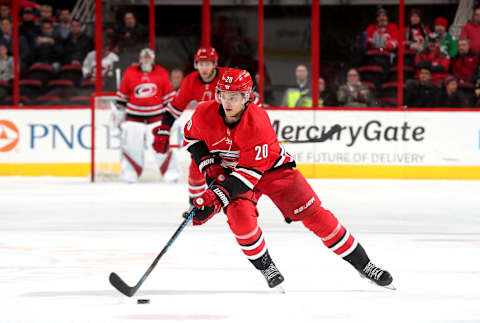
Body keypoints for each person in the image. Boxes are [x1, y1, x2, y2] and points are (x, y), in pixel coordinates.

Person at [183, 68, 394, 289]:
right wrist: (211, 168)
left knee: (316, 217)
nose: (226, 102)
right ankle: (266, 266)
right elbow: (192, 139)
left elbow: (248, 175)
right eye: (222, 95)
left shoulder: (257, 122)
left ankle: (364, 264)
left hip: (273, 171)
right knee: (239, 217)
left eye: (233, 96)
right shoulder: (203, 113)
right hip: (233, 174)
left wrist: (215, 198)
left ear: (247, 97)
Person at [166, 46, 228, 202]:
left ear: (215, 64)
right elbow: (175, 107)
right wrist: (163, 128)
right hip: (205, 132)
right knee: (196, 168)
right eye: (201, 64)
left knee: (229, 168)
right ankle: (196, 202)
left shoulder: (227, 77)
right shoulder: (190, 80)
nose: (204, 68)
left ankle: (238, 202)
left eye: (208, 63)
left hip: (228, 130)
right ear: (196, 65)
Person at [113, 48, 181, 183]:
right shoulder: (130, 72)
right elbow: (121, 100)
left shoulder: (161, 72)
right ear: (139, 58)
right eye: (144, 57)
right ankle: (130, 174)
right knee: (132, 146)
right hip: (133, 118)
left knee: (161, 145)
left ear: (153, 59)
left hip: (156, 118)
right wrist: (117, 120)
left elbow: (169, 100)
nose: (146, 60)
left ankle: (171, 173)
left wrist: (171, 121)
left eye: (148, 57)